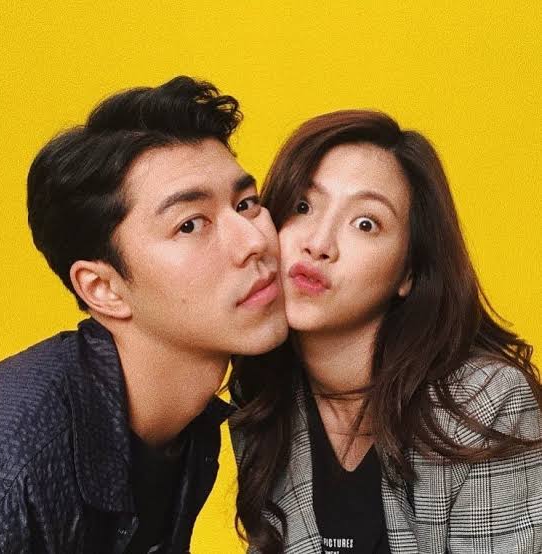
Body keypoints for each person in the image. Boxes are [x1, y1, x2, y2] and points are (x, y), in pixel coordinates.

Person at [0, 76, 288, 553]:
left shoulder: (187, 428)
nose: (254, 241)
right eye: (190, 225)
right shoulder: (11, 470)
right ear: (103, 289)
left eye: (246, 204)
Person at [229, 110, 542, 554]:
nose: (319, 243)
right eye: (303, 206)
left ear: (407, 273)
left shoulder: (485, 403)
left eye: (365, 223)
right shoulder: (263, 396)